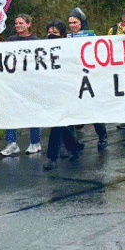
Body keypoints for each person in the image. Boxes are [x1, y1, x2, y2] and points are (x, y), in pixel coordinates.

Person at [0, 14, 43, 157]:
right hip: (14, 82)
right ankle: (12, 143)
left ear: (28, 24)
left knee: (32, 111)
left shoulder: (35, 41)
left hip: (31, 82)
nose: (18, 25)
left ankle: (35, 142)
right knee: (11, 111)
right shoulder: (11, 40)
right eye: (16, 23)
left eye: (21, 23)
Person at [42, 20, 83, 170]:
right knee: (61, 122)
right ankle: (74, 147)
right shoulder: (43, 47)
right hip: (51, 89)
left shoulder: (69, 48)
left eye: (55, 33)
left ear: (62, 35)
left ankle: (52, 157)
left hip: (66, 89)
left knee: (58, 122)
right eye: (49, 32)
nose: (51, 36)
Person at [66, 7, 107, 150]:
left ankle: (102, 136)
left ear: (81, 22)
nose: (72, 26)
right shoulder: (67, 38)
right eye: (70, 23)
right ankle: (73, 142)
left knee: (92, 109)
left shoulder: (91, 36)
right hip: (74, 76)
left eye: (75, 22)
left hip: (89, 76)